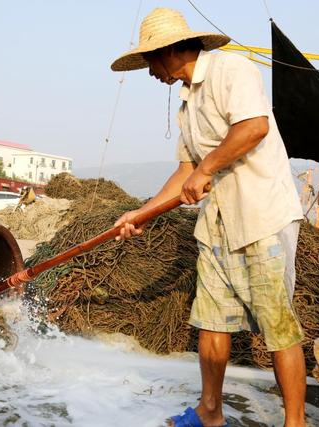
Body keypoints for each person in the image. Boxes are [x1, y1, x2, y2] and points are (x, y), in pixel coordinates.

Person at [110, 8, 305, 427]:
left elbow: (253, 127)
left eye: (149, 61)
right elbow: (184, 172)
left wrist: (207, 168)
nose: (149, 72)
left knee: (277, 323)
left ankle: (295, 422)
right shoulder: (187, 104)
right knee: (212, 323)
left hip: (262, 216)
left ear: (169, 51)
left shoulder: (231, 70)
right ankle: (210, 411)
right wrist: (142, 213)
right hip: (217, 225)